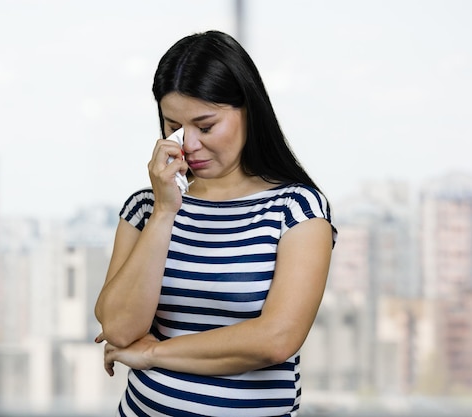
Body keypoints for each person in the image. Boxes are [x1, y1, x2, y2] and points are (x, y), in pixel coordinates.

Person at [94, 30, 337, 417]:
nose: (188, 144)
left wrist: (154, 352)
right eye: (173, 126)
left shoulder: (296, 208)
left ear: (248, 111)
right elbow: (120, 329)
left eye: (205, 126)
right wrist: (164, 211)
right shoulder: (145, 209)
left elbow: (275, 340)